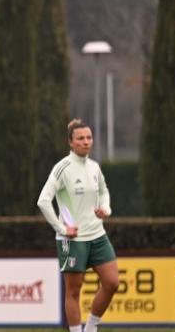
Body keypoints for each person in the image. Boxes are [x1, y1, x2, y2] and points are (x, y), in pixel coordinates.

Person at [38, 118, 118, 332]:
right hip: (73, 239)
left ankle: (90, 328)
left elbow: (104, 192)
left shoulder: (94, 167)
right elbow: (43, 201)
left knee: (112, 283)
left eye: (89, 137)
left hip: (97, 235)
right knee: (73, 292)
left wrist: (106, 208)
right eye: (81, 138)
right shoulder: (62, 168)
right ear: (70, 142)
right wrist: (62, 229)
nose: (86, 142)